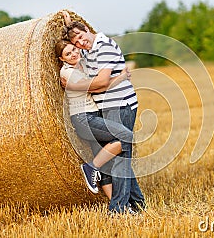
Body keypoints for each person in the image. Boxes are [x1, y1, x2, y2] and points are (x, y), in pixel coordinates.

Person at [60, 11, 146, 214]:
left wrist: (115, 80)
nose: (79, 44)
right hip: (104, 109)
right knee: (120, 154)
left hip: (121, 105)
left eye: (81, 38)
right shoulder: (88, 49)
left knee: (121, 156)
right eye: (76, 43)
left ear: (88, 30)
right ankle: (136, 203)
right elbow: (75, 41)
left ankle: (119, 208)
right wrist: (68, 24)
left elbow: (101, 83)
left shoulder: (103, 46)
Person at [55, 39, 133, 200]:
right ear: (62, 59)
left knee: (107, 166)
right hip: (84, 118)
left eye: (74, 50)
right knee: (126, 136)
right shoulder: (68, 73)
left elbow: (84, 40)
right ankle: (91, 168)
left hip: (94, 116)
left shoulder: (81, 64)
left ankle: (116, 206)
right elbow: (99, 86)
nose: (74, 54)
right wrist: (122, 77)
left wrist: (68, 20)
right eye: (67, 54)